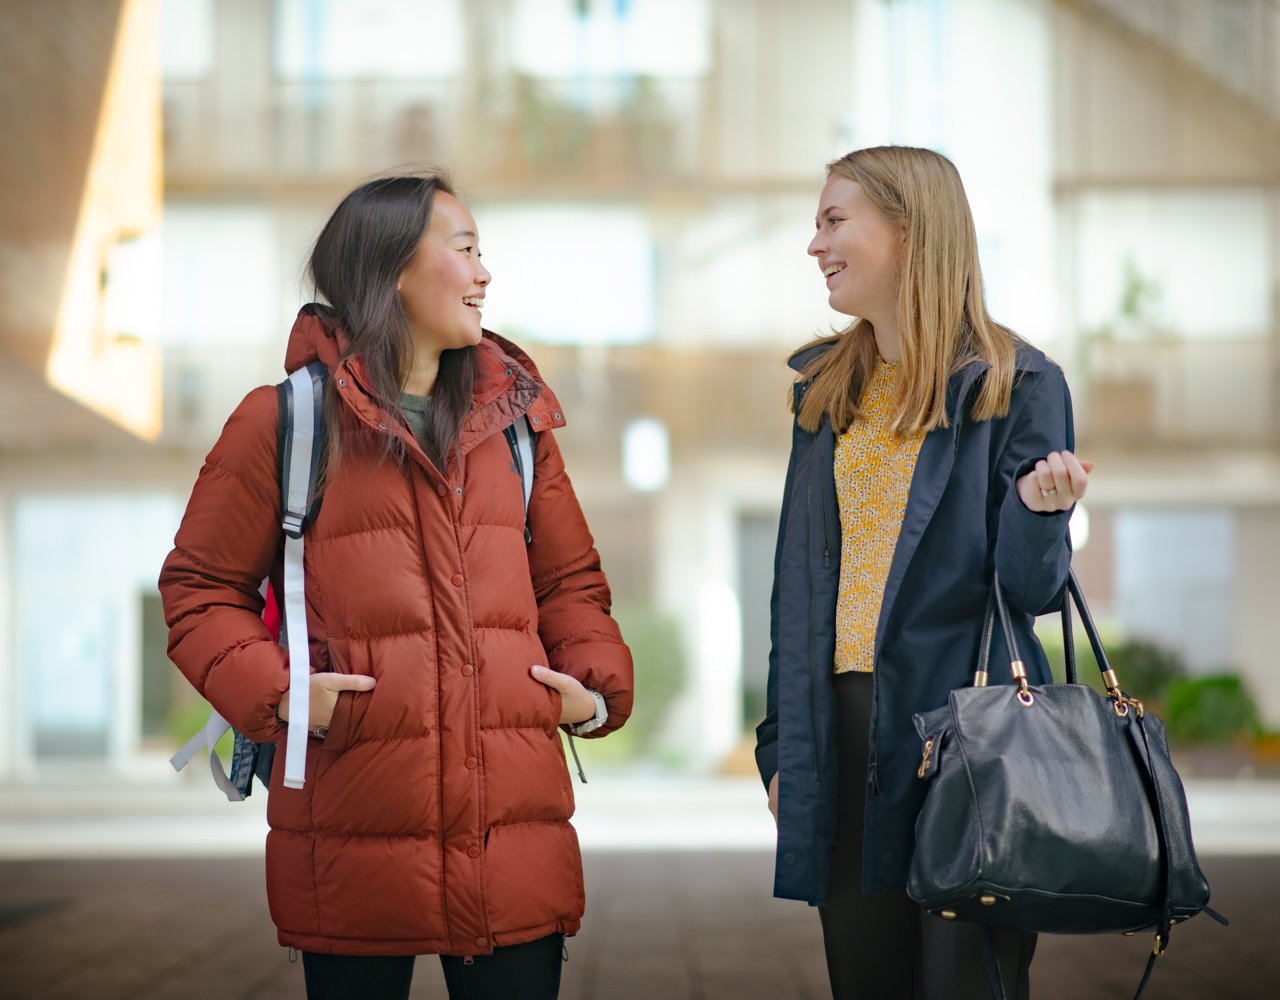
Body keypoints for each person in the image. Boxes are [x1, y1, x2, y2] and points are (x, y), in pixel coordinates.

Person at [159, 172, 634, 1000]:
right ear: (390, 271)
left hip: (512, 835)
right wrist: (283, 694)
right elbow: (197, 588)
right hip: (349, 826)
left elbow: (570, 583)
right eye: (464, 250)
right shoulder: (285, 422)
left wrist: (588, 691)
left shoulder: (515, 426)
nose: (485, 273)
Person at [755, 145, 1090, 1000]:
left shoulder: (1017, 383)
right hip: (844, 739)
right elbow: (798, 591)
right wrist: (783, 749)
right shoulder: (825, 389)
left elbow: (1032, 592)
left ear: (909, 231)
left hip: (967, 742)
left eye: (835, 220)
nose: (814, 243)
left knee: (964, 984)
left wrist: (1042, 514)